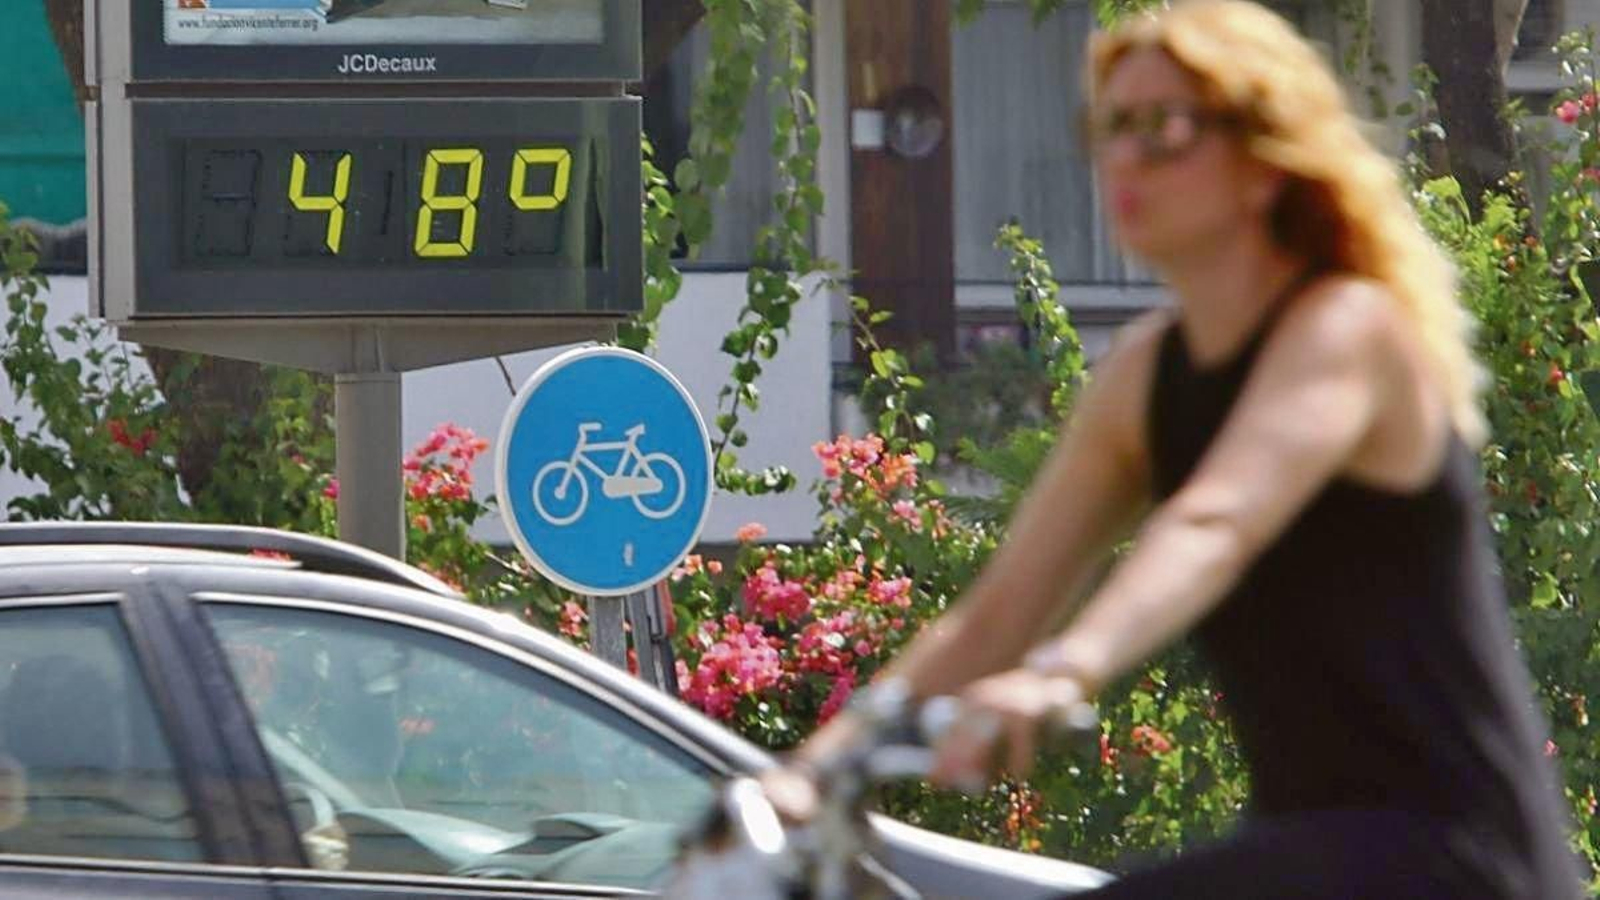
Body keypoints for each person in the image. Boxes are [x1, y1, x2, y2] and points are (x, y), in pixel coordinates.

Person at [775, 1, 1585, 896]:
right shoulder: (1145, 376)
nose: (1124, 156)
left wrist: (1064, 671)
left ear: (1263, 160)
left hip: (1452, 852)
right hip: (1311, 849)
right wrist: (810, 771)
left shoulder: (1348, 330)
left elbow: (1217, 519)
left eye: (1162, 127)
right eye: (1110, 127)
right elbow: (995, 615)